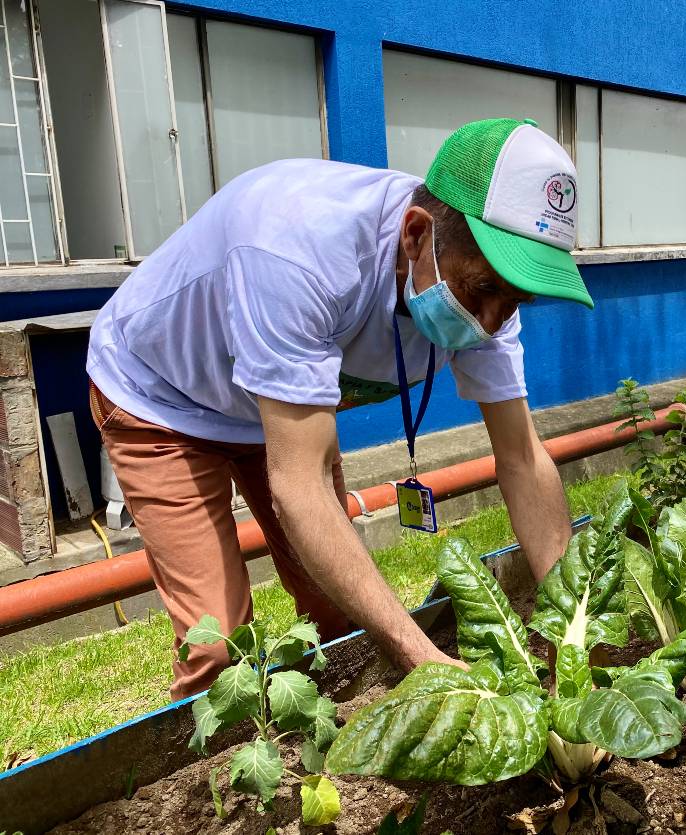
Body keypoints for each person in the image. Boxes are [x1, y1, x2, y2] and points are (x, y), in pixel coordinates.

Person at [86, 118, 590, 700]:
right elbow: (298, 486)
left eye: (516, 300)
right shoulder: (301, 249)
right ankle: (226, 777)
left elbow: (523, 458)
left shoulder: (487, 284)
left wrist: (572, 625)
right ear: (416, 235)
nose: (492, 320)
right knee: (217, 649)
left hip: (271, 403)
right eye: (483, 292)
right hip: (159, 396)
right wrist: (420, 656)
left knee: (337, 615)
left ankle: (328, 738)